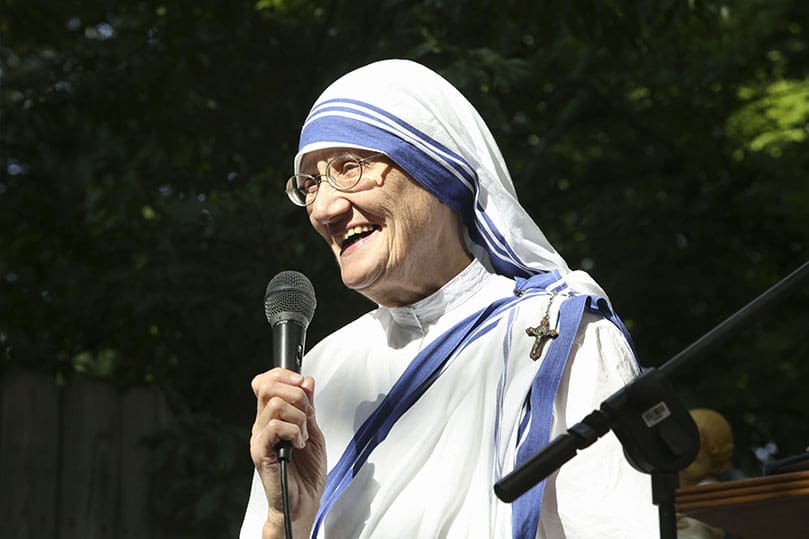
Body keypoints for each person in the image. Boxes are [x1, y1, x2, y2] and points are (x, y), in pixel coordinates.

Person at [240, 59, 658, 538]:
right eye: (310, 185)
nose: (323, 209)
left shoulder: (558, 335)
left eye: (349, 168)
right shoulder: (321, 372)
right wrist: (286, 520)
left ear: (435, 168)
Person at [677, 408, 734, 539]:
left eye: (695, 459)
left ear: (715, 456)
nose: (685, 461)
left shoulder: (709, 493)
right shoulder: (681, 492)